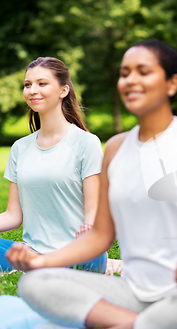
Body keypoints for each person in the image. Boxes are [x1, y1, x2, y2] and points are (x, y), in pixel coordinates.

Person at [7, 39, 177, 329]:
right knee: (35, 282)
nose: (131, 80)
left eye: (143, 72)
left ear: (172, 83)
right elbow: (101, 236)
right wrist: (42, 261)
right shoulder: (115, 148)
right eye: (125, 73)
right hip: (133, 293)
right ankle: (140, 327)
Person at [0, 57, 106, 273]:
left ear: (63, 90)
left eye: (42, 83)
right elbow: (13, 215)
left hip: (78, 252)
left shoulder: (86, 143)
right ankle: (39, 264)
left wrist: (89, 235)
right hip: (31, 252)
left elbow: (93, 212)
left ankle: (42, 266)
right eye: (27, 84)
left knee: (89, 256)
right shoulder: (20, 148)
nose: (32, 90)